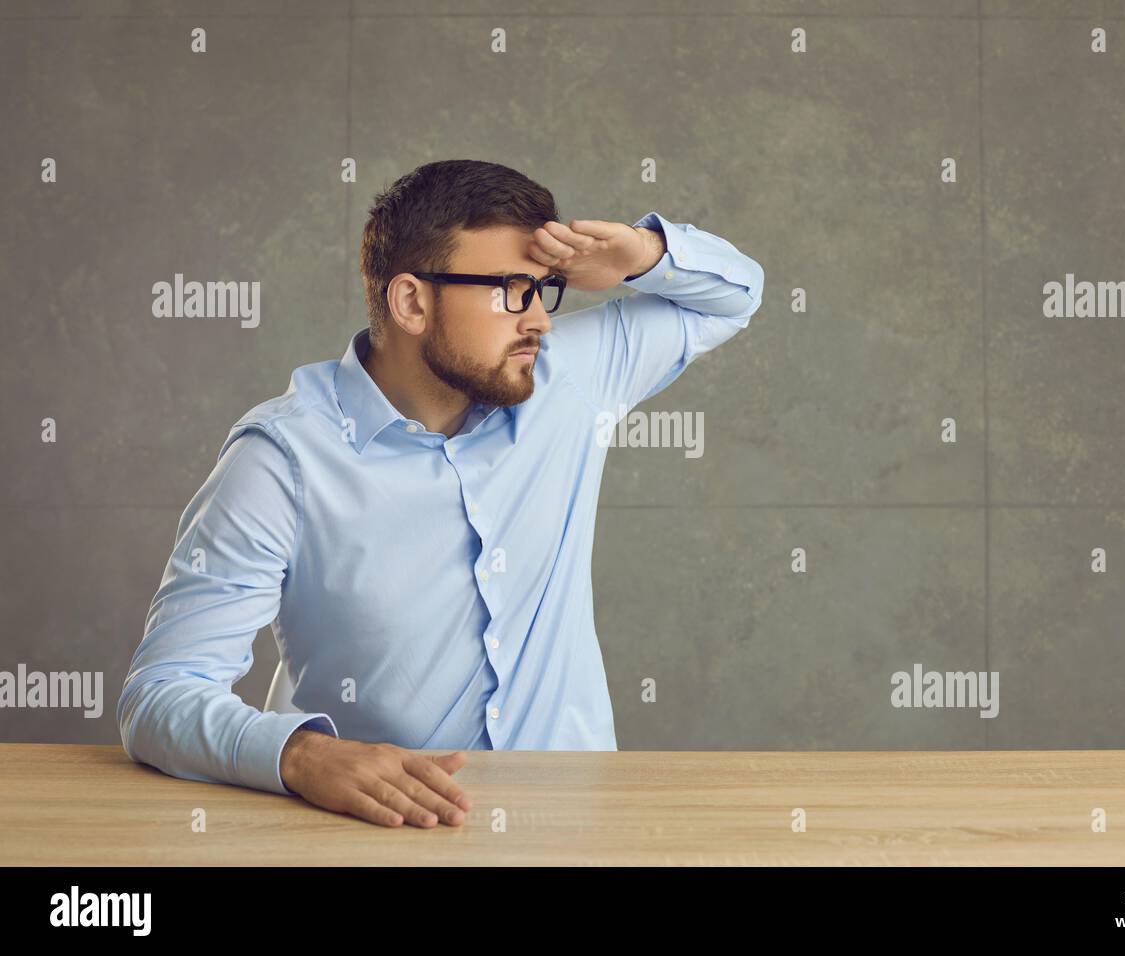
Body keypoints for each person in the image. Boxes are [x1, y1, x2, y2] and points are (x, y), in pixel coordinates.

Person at [116, 159, 764, 828]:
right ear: (411, 302)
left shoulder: (566, 381)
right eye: (514, 289)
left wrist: (643, 255)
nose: (539, 319)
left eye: (546, 289)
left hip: (572, 832)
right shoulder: (281, 462)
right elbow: (161, 695)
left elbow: (737, 294)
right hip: (380, 838)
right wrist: (303, 757)